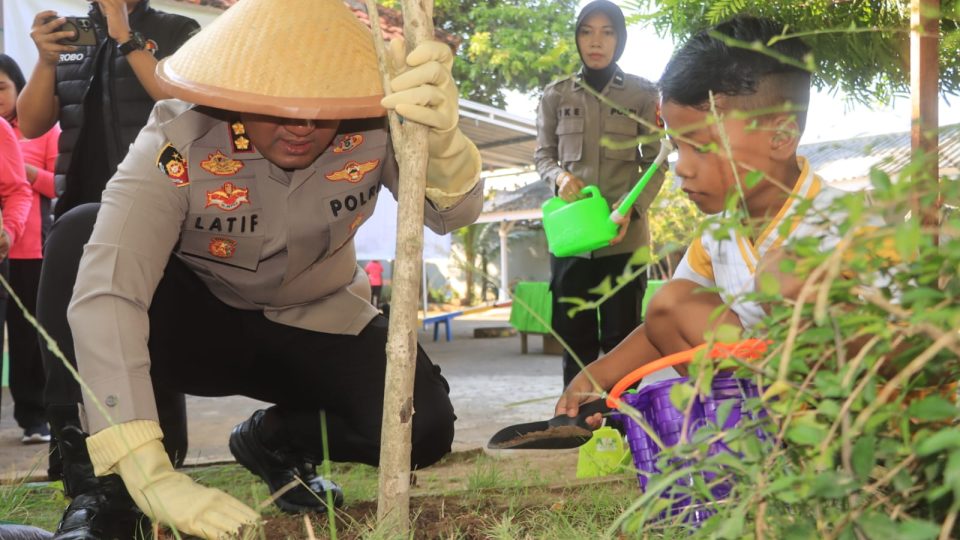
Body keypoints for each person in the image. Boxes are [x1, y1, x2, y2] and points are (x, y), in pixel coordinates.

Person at [40, 0, 482, 536]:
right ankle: (103, 490)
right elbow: (109, 291)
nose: (301, 125)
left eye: (319, 104)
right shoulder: (178, 139)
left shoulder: (378, 125)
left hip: (315, 318)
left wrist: (445, 147)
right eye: (277, 101)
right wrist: (145, 468)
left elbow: (448, 214)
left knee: (424, 426)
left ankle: (275, 440)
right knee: (79, 233)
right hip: (192, 325)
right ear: (238, 83)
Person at [555, 16, 848, 424]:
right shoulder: (716, 235)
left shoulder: (845, 223)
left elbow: (900, 340)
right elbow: (663, 326)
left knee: (785, 277)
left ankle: (821, 435)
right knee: (670, 304)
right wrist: (598, 375)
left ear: (781, 137)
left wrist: (814, 294)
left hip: (846, 403)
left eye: (702, 147)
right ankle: (749, 428)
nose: (682, 169)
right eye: (677, 148)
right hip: (761, 396)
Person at [17, 1, 200, 537]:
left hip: (156, 208)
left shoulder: (174, 30)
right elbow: (31, 123)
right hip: (77, 214)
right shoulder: (73, 34)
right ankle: (83, 474)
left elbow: (181, 102)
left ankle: (161, 463)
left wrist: (124, 36)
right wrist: (47, 60)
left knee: (144, 334)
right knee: (71, 336)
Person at [534, 0, 666, 388]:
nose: (596, 41)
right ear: (577, 38)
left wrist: (633, 210)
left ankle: (622, 422)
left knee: (622, 339)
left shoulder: (642, 96)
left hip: (623, 241)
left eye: (607, 32)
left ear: (619, 40)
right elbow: (543, 156)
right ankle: (577, 421)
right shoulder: (556, 96)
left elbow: (657, 162)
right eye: (587, 32)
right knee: (574, 340)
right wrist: (558, 177)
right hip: (572, 242)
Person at [0, 53, 59, 446]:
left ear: (19, 87)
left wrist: (26, 170)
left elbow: (60, 187)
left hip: (31, 250)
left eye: (2, 87)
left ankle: (34, 416)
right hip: (7, 250)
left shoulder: (43, 132)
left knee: (27, 338)